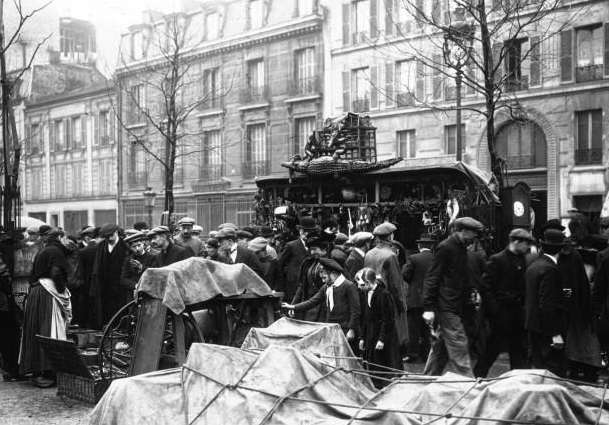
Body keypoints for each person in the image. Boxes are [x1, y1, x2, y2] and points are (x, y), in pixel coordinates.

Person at [421, 217, 483, 377]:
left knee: (440, 348)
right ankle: (469, 387)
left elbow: (462, 276)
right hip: (446, 306)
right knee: (459, 343)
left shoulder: (462, 248)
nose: (473, 239)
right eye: (472, 235)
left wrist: (472, 291)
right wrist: (428, 308)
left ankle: (425, 381)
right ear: (463, 231)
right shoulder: (445, 247)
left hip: (456, 306)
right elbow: (432, 277)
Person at [474, 228, 534, 377]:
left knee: (518, 348)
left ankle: (519, 380)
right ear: (516, 241)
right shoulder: (497, 259)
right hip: (501, 313)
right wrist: (495, 310)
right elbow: (486, 286)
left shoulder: (522, 259)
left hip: (517, 312)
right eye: (526, 243)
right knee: (492, 348)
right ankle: (477, 377)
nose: (528, 247)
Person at [19, 227, 72, 388]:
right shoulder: (56, 252)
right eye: (64, 238)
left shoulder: (42, 251)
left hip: (36, 291)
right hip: (48, 292)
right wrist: (62, 290)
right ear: (61, 237)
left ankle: (36, 371)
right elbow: (56, 273)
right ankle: (49, 371)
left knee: (35, 330)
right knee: (50, 330)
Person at [283, 258, 360, 344]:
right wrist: (294, 307)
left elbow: (355, 311)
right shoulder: (326, 287)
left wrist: (351, 329)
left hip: (345, 329)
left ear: (333, 274)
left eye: (324, 277)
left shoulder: (349, 286)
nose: (323, 281)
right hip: (331, 328)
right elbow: (312, 302)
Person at [525, 228, 568, 377]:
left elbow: (535, 296)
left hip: (533, 325)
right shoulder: (551, 269)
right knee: (553, 373)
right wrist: (554, 333)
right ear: (561, 249)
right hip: (546, 329)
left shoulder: (534, 266)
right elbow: (547, 305)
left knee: (538, 370)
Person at [364, 222, 408, 349]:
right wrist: (402, 306)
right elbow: (396, 285)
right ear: (390, 237)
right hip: (388, 301)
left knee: (376, 335)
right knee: (390, 341)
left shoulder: (369, 254)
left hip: (371, 299)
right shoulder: (391, 256)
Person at [356, 267, 402, 388]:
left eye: (361, 285)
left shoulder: (384, 295)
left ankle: (388, 386)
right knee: (373, 362)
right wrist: (362, 337)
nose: (359, 287)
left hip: (384, 334)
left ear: (368, 282)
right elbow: (366, 318)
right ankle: (376, 385)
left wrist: (382, 339)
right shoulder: (366, 293)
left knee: (385, 362)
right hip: (371, 333)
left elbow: (388, 320)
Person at [402, 234, 435, 364]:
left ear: (419, 246)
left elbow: (405, 275)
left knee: (413, 328)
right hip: (431, 299)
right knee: (427, 328)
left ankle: (412, 354)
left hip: (415, 298)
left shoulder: (414, 258)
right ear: (431, 246)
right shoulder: (436, 258)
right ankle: (426, 354)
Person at [90, 224, 130, 326]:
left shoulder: (125, 247)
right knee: (105, 310)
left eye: (110, 236)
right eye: (106, 237)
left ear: (116, 233)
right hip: (104, 285)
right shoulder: (100, 247)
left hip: (119, 286)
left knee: (119, 310)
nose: (108, 239)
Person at [291, 231, 333, 322]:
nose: (312, 252)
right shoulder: (308, 263)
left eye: (315, 249)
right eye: (311, 249)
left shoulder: (332, 263)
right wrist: (293, 305)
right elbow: (301, 286)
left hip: (324, 308)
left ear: (324, 249)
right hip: (308, 307)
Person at [279, 217, 316, 301]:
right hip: (294, 284)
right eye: (304, 231)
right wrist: (282, 283)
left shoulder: (315, 246)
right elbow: (280, 264)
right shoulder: (291, 246)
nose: (306, 233)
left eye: (309, 232)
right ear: (300, 231)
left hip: (310, 284)